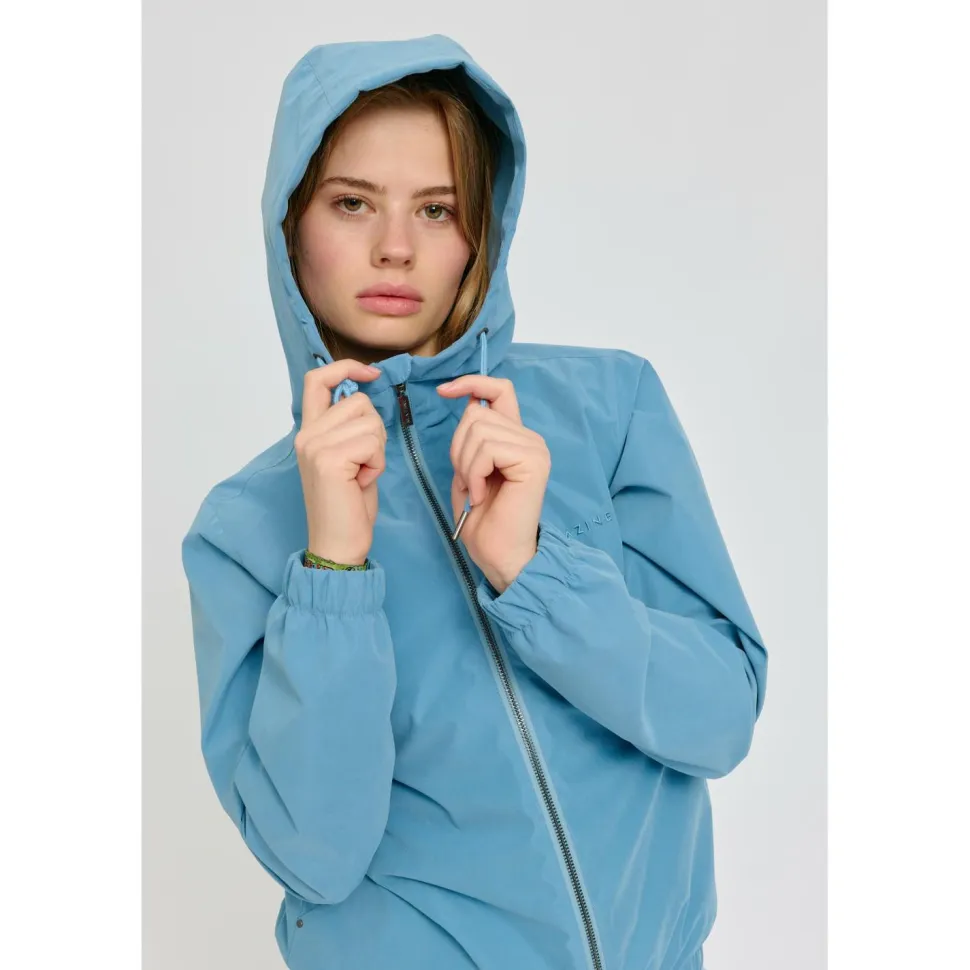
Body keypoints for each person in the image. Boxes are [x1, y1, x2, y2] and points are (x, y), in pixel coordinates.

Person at [181, 33, 768, 970]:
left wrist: (534, 573)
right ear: (290, 225)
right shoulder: (242, 530)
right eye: (352, 202)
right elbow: (315, 856)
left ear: (480, 230)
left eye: (437, 207)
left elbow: (719, 720)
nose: (396, 247)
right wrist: (334, 570)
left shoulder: (610, 408)